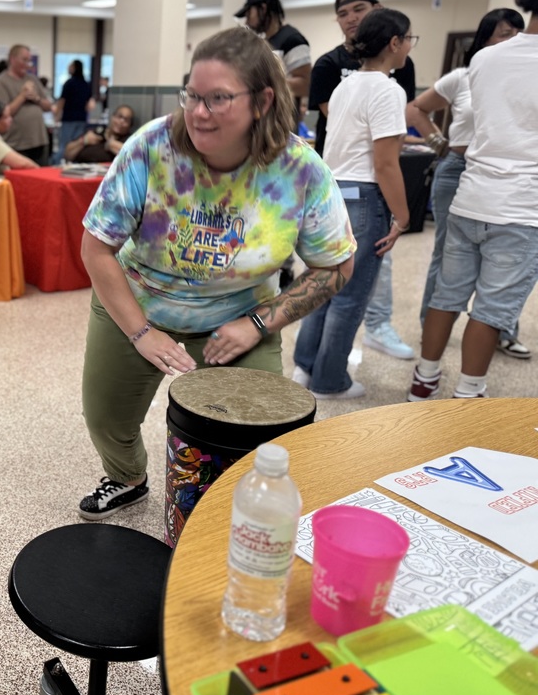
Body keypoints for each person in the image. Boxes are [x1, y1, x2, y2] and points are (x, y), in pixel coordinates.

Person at [77, 27, 355, 519]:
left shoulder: (300, 170)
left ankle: (219, 505)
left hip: (241, 313)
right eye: (192, 96)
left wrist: (258, 325)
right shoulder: (152, 148)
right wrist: (141, 333)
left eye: (218, 99)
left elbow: (336, 266)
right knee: (105, 417)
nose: (199, 113)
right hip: (139, 301)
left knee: (253, 432)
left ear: (263, 101)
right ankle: (127, 477)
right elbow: (97, 249)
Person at [409, 0, 538, 401]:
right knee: (490, 309)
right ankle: (468, 394)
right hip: (522, 209)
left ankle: (424, 380)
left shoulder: (484, 58)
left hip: (471, 196)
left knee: (446, 295)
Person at [294, 9, 414, 400]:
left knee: (324, 284)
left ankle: (306, 366)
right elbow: (384, 163)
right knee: (350, 295)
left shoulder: (346, 86)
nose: (410, 47)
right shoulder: (388, 90)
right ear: (394, 43)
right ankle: (330, 381)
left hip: (331, 192)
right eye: (409, 39)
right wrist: (403, 215)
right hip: (364, 197)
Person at [234, 0, 311, 117]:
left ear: (263, 9)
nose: (247, 21)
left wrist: (262, 85)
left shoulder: (292, 40)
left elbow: (305, 85)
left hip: (282, 118)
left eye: (249, 14)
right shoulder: (263, 41)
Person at [0, 44, 52, 164]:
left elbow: (48, 106)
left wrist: (36, 98)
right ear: (13, 59)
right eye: (24, 60)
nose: (28, 64)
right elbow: (3, 112)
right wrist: (22, 96)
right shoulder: (1, 82)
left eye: (29, 60)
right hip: (16, 144)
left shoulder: (32, 79)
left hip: (39, 141)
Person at [62, 104, 134, 163]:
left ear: (130, 125)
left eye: (126, 120)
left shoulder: (128, 140)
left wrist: (112, 144)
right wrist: (83, 141)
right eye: (119, 116)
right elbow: (67, 154)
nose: (121, 121)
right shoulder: (97, 131)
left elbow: (135, 156)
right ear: (113, 117)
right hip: (78, 170)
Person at [53, 59, 94, 163]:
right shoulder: (86, 84)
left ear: (75, 68)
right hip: (81, 118)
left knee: (65, 145)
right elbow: (88, 104)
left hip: (69, 119)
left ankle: (56, 164)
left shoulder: (69, 83)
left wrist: (57, 115)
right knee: (77, 145)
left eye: (70, 66)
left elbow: (62, 101)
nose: (68, 68)